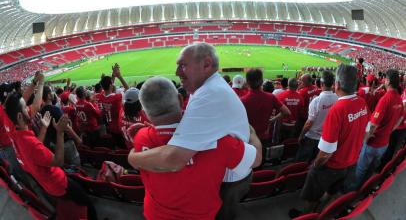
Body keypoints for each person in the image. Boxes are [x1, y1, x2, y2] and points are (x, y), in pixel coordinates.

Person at [127, 42, 254, 220]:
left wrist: (132, 158)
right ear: (180, 100)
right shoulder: (220, 140)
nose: (178, 71)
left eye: (182, 65)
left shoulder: (140, 138)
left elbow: (174, 160)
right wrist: (253, 136)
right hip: (207, 209)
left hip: (157, 213)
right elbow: (256, 159)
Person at [290, 64, 369, 218]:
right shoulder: (362, 103)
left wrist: (315, 165)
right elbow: (366, 132)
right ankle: (322, 212)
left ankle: (307, 215)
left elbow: (325, 153)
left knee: (312, 194)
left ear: (337, 84)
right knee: (333, 192)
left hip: (332, 165)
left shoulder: (338, 109)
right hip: (351, 162)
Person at [4, 92, 97, 220]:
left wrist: (44, 128)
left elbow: (35, 153)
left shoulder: (16, 135)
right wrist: (60, 132)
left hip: (48, 186)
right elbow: (58, 161)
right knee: (86, 203)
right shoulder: (28, 143)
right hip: (59, 183)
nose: (29, 108)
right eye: (26, 107)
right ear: (19, 116)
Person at [352, 69, 404, 189]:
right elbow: (401, 117)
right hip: (384, 143)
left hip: (373, 143)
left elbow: (373, 124)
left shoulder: (385, 99)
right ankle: (363, 189)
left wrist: (365, 138)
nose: (384, 81)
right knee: (371, 169)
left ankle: (351, 190)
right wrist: (391, 130)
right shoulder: (399, 99)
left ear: (388, 81)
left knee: (360, 168)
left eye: (386, 79)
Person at [296, 71, 338, 163]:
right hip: (326, 137)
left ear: (322, 83)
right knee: (315, 162)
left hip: (312, 137)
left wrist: (301, 135)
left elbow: (309, 123)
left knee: (301, 163)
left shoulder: (317, 101)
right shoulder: (337, 98)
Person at [241, 68, 290, 147]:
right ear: (261, 81)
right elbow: (287, 112)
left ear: (247, 82)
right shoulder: (271, 97)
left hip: (249, 138)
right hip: (264, 137)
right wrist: (272, 120)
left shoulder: (243, 100)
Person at [40, 85, 81, 165]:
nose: (53, 94)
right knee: (76, 165)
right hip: (65, 144)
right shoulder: (55, 109)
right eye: (51, 92)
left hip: (54, 144)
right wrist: (78, 139)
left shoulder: (41, 111)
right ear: (48, 96)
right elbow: (66, 127)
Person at [99, 63, 129, 148]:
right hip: (119, 127)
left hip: (110, 126)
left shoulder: (101, 96)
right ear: (110, 85)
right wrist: (119, 76)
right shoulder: (116, 97)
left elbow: (108, 87)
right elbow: (128, 89)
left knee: (117, 145)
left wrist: (113, 75)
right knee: (123, 146)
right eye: (112, 83)